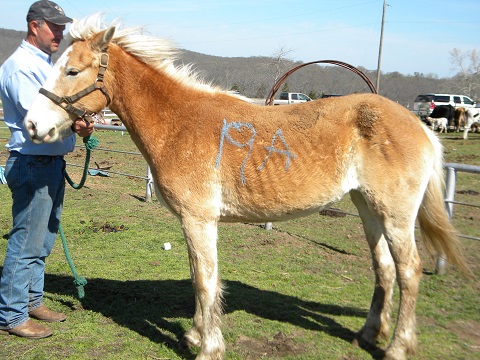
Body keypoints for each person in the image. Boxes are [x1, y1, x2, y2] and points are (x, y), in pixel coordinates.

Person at [0, 1, 94, 339]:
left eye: (61, 27)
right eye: (53, 26)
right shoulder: (23, 67)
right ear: (34, 25)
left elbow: (62, 110)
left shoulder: (45, 64)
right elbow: (38, 125)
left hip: (49, 163)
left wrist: (80, 124)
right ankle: (12, 315)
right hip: (33, 162)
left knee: (43, 239)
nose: (60, 33)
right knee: (26, 241)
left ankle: (32, 300)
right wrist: (76, 124)